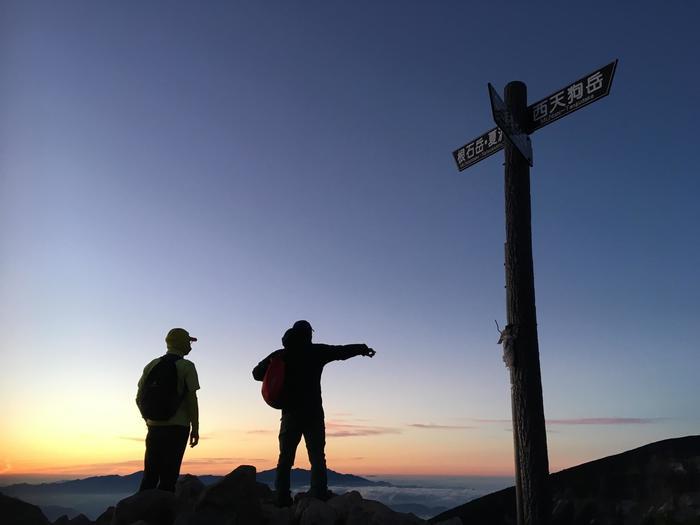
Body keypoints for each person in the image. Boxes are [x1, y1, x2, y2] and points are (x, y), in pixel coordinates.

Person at [252, 320, 376, 506]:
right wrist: (362, 349)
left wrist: (273, 366)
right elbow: (340, 352)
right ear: (309, 334)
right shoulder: (316, 352)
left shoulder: (281, 354)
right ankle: (319, 492)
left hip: (290, 414)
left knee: (285, 457)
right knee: (317, 455)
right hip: (313, 412)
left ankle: (282, 497)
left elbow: (256, 374)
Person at [136, 328, 200, 492]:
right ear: (182, 343)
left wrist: (148, 419)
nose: (191, 346)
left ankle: (141, 513)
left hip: (154, 426)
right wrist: (195, 428)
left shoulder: (152, 364)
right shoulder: (187, 366)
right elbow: (191, 399)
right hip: (178, 427)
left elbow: (139, 397)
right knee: (169, 476)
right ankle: (164, 515)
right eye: (189, 342)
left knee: (150, 474)